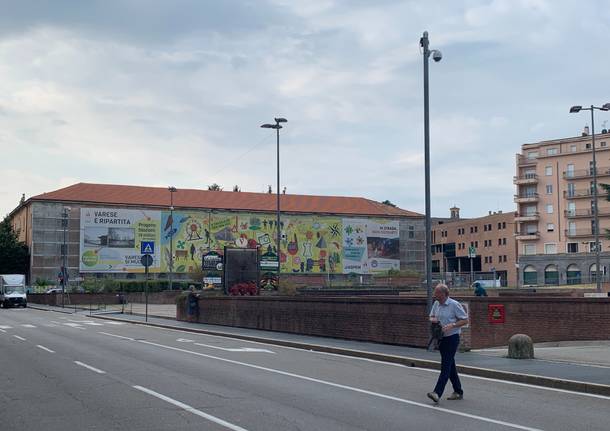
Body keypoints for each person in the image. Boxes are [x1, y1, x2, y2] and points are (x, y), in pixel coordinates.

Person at [427, 283, 469, 403]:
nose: (435, 295)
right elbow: (431, 316)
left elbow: (465, 320)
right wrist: (433, 319)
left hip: (452, 337)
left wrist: (453, 325)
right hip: (441, 338)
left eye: (436, 293)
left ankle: (437, 393)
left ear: (443, 294)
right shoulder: (436, 304)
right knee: (450, 365)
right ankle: (458, 391)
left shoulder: (454, 305)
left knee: (445, 365)